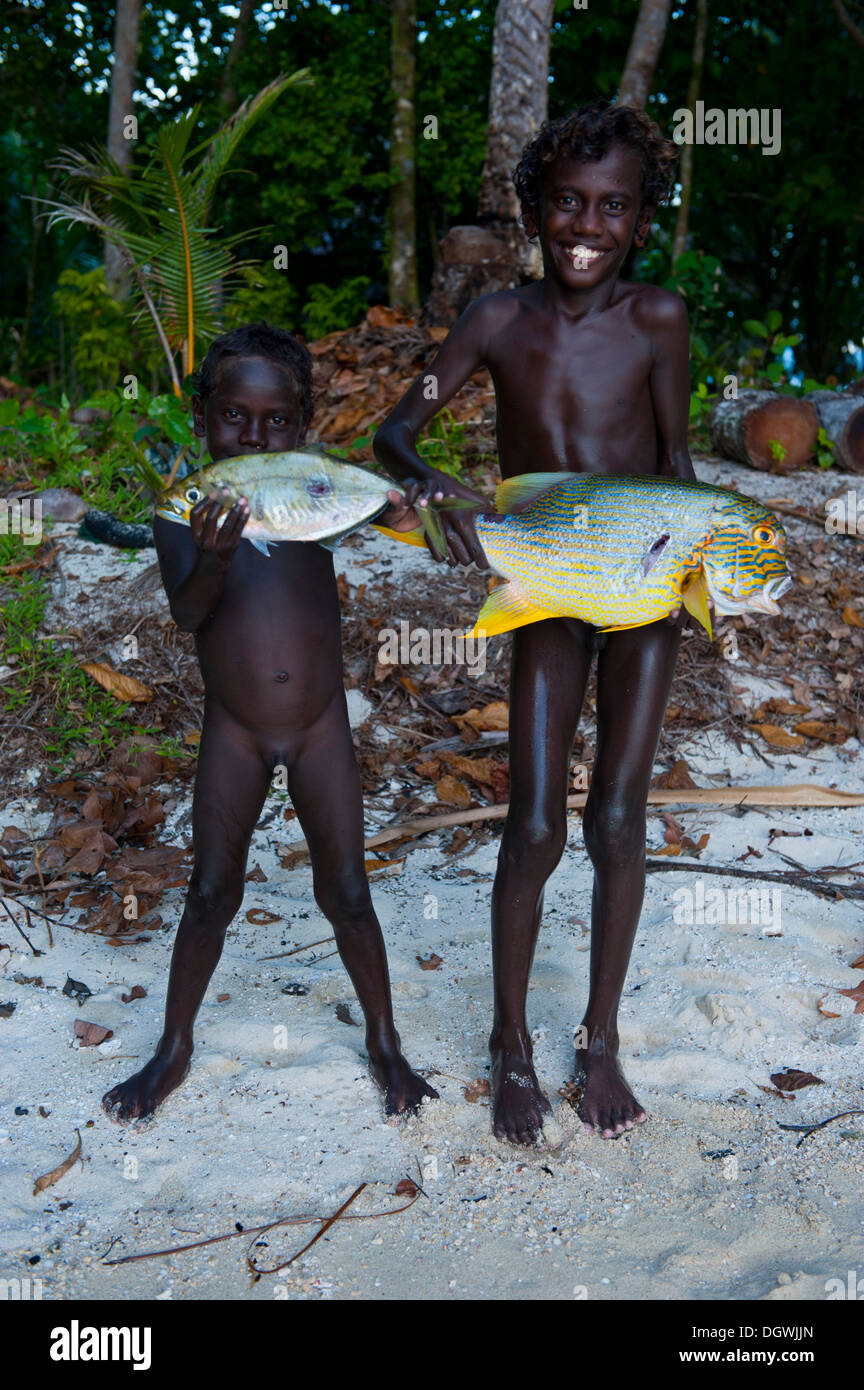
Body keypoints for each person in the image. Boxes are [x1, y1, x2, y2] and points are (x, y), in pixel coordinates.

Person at [374, 101, 690, 1144]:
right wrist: (442, 492)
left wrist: (700, 579)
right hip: (549, 580)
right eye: (567, 204)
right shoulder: (495, 323)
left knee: (617, 820)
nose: (586, 226)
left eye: (612, 208)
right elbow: (398, 428)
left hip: (642, 590)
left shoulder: (659, 321)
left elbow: (681, 470)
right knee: (539, 823)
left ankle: (599, 1040)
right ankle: (510, 1043)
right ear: (532, 211)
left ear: (640, 220)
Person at [103, 322, 436, 1123]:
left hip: (321, 725)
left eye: (277, 421)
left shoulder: (314, 497)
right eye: (233, 417)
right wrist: (214, 554)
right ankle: (174, 1047)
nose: (253, 435)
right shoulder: (180, 510)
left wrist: (407, 508)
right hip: (237, 730)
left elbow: (390, 520)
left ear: (302, 425)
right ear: (203, 419)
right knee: (212, 891)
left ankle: (385, 1043)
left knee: (348, 891)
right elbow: (188, 613)